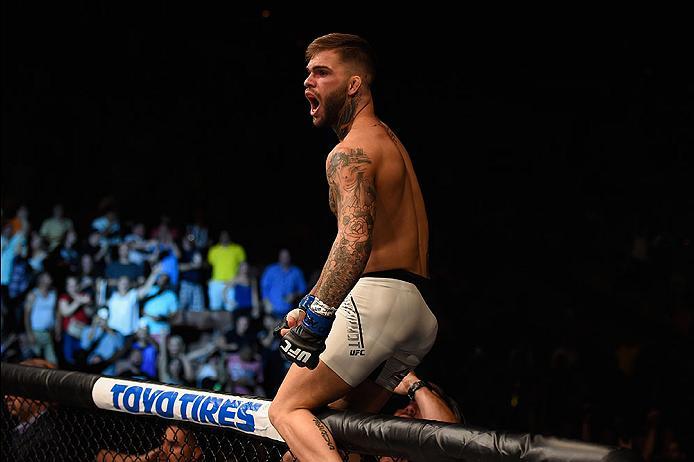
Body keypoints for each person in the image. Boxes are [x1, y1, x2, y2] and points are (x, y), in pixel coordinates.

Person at [268, 33, 438, 462]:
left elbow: (354, 240)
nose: (309, 81)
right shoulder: (388, 141)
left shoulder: (351, 151)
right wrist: (312, 303)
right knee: (337, 433)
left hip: (378, 300)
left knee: (285, 409)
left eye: (322, 72)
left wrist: (316, 320)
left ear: (354, 84)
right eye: (307, 72)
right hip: (416, 311)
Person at [260, 248, 307, 319]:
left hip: (289, 311)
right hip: (272, 310)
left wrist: (294, 295)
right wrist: (266, 302)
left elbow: (303, 289)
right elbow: (264, 287)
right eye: (282, 257)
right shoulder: (271, 270)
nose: (284, 259)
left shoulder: (296, 272)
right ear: (279, 257)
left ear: (290, 257)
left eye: (286, 257)